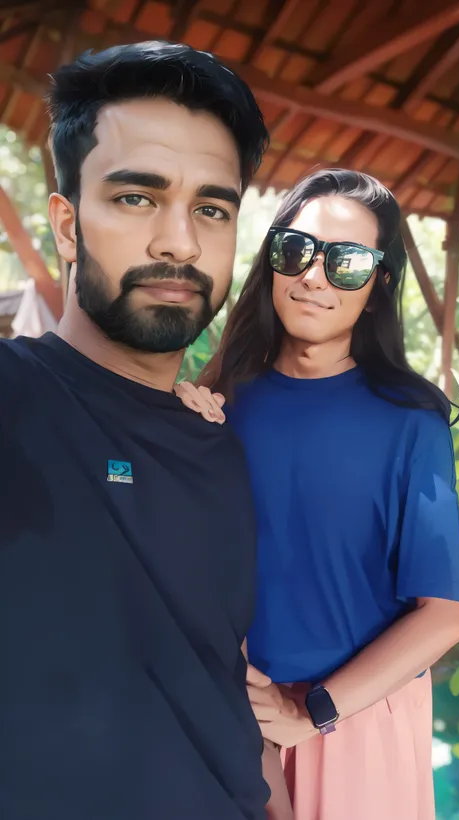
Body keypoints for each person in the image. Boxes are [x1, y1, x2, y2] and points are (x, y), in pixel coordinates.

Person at [0, 41, 271, 820]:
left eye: (211, 209)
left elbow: (214, 665)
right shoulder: (17, 397)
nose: (179, 243)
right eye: (135, 197)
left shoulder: (222, 442)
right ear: (66, 222)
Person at [176, 169, 459, 820]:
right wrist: (178, 434)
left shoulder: (409, 419)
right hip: (231, 720)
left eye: (347, 261)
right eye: (296, 250)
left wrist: (313, 712)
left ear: (378, 284)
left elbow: (444, 615)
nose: (314, 276)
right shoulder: (221, 401)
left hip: (354, 724)